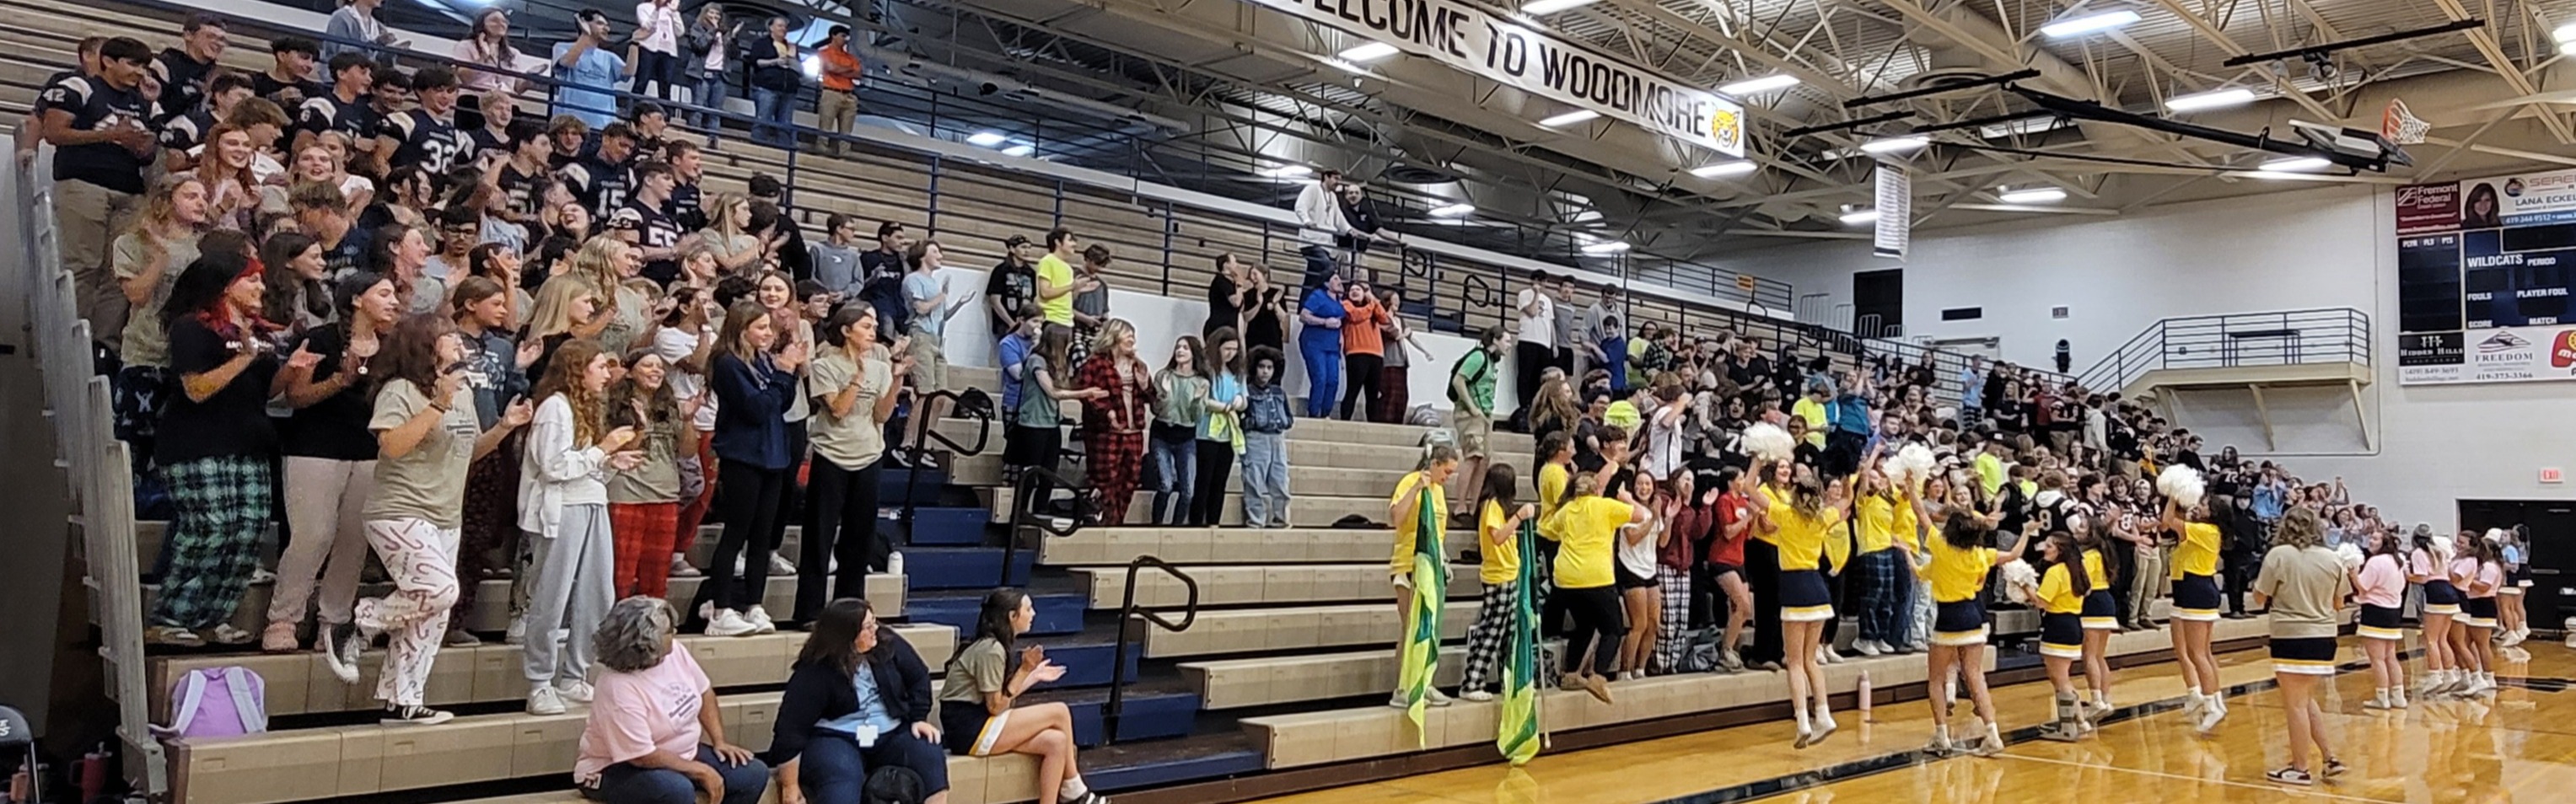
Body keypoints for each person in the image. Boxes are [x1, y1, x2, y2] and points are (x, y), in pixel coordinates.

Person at [332, 314, 518, 723]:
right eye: (452, 339)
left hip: (445, 515)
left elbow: (465, 453)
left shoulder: (461, 393)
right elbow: (393, 446)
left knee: (432, 616)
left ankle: (404, 700)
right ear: (426, 345)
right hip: (399, 509)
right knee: (439, 590)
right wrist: (438, 404)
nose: (462, 347)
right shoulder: (400, 391)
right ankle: (358, 625)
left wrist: (504, 428)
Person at [143, 251, 288, 647]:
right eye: (252, 280)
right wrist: (244, 358)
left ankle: (212, 617)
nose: (261, 288)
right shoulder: (192, 328)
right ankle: (171, 616)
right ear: (226, 286)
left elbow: (266, 390)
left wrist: (291, 371)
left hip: (251, 444)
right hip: (197, 446)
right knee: (210, 528)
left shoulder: (259, 333)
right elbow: (196, 389)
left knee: (248, 532)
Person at [267, 272, 398, 657]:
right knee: (313, 535)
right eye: (384, 294)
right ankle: (284, 617)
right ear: (357, 300)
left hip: (370, 451)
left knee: (354, 540)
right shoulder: (323, 340)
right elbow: (295, 397)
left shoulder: (393, 348)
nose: (393, 302)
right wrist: (340, 381)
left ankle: (334, 620)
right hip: (315, 447)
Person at [519, 339, 637, 715]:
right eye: (601, 366)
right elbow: (554, 467)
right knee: (551, 596)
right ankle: (539, 681)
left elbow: (583, 466)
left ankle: (574, 674)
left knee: (597, 592)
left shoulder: (585, 406)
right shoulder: (555, 407)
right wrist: (603, 449)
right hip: (561, 510)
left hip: (591, 503)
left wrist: (608, 462)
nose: (607, 374)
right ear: (579, 369)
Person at [575, 598, 768, 804]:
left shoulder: (675, 651)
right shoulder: (617, 687)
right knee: (676, 791)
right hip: (613, 767)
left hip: (681, 754)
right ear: (646, 641)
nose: (675, 633)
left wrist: (719, 741)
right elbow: (641, 756)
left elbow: (705, 692)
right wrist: (702, 771)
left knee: (752, 774)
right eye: (669, 631)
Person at [769, 599, 951, 804]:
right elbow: (790, 728)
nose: (875, 629)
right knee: (841, 779)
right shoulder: (816, 670)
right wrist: (790, 786)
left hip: (890, 731)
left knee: (929, 752)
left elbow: (918, 676)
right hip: (836, 736)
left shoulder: (886, 641)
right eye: (867, 627)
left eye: (874, 621)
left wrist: (919, 718)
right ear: (847, 635)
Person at [44, 36, 159, 350]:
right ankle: (69, 339)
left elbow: (150, 153)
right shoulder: (79, 87)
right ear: (108, 61)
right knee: (84, 264)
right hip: (84, 183)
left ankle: (103, 345)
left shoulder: (144, 100)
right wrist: (112, 134)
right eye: (134, 64)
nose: (140, 72)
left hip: (130, 189)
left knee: (117, 272)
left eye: (145, 66)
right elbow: (53, 133)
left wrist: (143, 146)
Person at [937, 590, 1105, 804]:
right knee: (1059, 711)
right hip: (968, 729)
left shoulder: (994, 646)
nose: (1033, 613)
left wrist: (1032, 676)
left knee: (1057, 742)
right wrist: (1024, 671)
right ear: (1012, 616)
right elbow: (996, 706)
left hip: (978, 722)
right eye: (1028, 609)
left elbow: (1003, 696)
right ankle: (1074, 788)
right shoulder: (991, 650)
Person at [702, 301, 806, 635]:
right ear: (741, 329)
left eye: (768, 327)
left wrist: (785, 373)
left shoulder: (762, 361)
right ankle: (720, 608)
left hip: (773, 455)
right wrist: (783, 373)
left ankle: (754, 604)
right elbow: (757, 409)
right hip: (743, 456)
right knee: (736, 533)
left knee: (762, 536)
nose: (767, 333)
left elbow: (783, 404)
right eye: (760, 327)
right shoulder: (727, 363)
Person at [1754, 443, 1866, 748]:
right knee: (1811, 661)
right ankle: (1825, 714)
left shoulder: (1785, 515)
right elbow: (1847, 501)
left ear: (1794, 496)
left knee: (1794, 663)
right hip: (1818, 589)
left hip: (1794, 587)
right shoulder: (1822, 517)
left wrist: (1755, 459)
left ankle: (1803, 721)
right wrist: (1850, 476)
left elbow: (1750, 491)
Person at [798, 305, 903, 621]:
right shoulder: (824, 366)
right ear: (846, 331)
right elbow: (839, 410)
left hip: (869, 455)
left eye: (873, 326)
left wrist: (896, 382)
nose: (872, 332)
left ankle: (850, 612)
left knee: (859, 539)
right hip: (832, 456)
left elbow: (882, 415)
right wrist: (857, 379)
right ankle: (809, 611)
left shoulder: (881, 369)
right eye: (866, 326)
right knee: (819, 536)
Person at [1897, 511, 2025, 757]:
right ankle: (1993, 734)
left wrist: (1912, 487)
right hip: (1973, 617)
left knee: (1936, 679)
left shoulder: (1941, 550)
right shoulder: (1980, 554)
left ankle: (1942, 736)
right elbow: (2013, 555)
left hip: (1948, 619)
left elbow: (1923, 519)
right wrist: (2027, 532)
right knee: (1976, 677)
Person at [2251, 507, 2350, 785]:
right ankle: (2330, 758)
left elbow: (2260, 597)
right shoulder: (2333, 559)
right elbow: (2339, 602)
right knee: (2305, 699)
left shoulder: (2278, 556)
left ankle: (2300, 768)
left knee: (2294, 705)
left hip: (2291, 637)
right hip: (2324, 638)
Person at [1541, 453, 1647, 704]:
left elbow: (1551, 531)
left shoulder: (1567, 510)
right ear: (1596, 490)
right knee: (1613, 629)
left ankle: (1570, 674)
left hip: (1566, 579)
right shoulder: (1605, 506)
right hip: (1596, 576)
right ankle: (1598, 677)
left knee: (1586, 625)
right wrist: (1627, 499)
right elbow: (1641, 515)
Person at [606, 348, 688, 599]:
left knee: (656, 576)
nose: (656, 371)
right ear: (630, 373)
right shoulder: (614, 404)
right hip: (628, 493)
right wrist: (640, 427)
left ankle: (651, 630)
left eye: (660, 367)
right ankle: (615, 629)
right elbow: (620, 450)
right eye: (648, 366)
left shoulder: (669, 404)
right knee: (621, 572)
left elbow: (687, 450)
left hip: (665, 494)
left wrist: (689, 419)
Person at [1385, 446, 1460, 707]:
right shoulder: (1410, 481)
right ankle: (1403, 687)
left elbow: (1438, 533)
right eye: (1447, 471)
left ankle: (1425, 682)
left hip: (1432, 565)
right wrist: (1417, 487)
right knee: (1410, 627)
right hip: (1408, 562)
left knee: (1429, 628)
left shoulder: (1439, 491)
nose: (1448, 477)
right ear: (1435, 464)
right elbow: (1395, 518)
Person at [1456, 465, 1534, 700]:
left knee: (1507, 633)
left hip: (1509, 574)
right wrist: (1519, 517)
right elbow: (1497, 537)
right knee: (1491, 631)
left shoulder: (1499, 507)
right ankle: (1472, 683)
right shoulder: (1490, 506)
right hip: (1497, 577)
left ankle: (1507, 680)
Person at [2014, 529, 2096, 742]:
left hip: (2058, 625)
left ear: (2060, 550)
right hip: (2073, 624)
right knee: (2061, 678)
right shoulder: (2076, 569)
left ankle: (2068, 728)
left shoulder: (2056, 572)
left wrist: (2023, 585)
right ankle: (2081, 722)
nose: (2045, 548)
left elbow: (2041, 602)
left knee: (2060, 679)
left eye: (2049, 545)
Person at [1077, 319, 1154, 526]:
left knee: (1129, 481)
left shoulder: (1139, 365)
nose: (1132, 339)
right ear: (1114, 337)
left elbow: (1152, 397)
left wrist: (1145, 383)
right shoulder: (1095, 364)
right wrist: (1108, 413)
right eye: (1127, 334)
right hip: (1105, 434)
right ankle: (1102, 523)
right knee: (1104, 480)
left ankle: (1116, 522)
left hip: (1133, 433)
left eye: (1133, 335)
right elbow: (1088, 395)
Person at [2161, 495, 2228, 732]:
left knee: (2197, 653)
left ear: (2213, 513)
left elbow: (2168, 519)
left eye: (2205, 505)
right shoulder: (2197, 532)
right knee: (2202, 652)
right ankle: (2216, 700)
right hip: (2189, 590)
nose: (2199, 507)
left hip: (2196, 590)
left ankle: (2211, 706)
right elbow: (2170, 525)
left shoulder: (2206, 530)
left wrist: (2171, 495)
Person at [902, 239, 968, 455]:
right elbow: (921, 308)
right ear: (922, 255)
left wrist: (959, 302)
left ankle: (926, 442)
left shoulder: (934, 284)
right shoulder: (913, 279)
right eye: (935, 251)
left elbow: (942, 315)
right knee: (925, 393)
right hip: (920, 337)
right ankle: (909, 442)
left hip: (938, 339)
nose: (940, 255)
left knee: (940, 396)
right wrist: (942, 296)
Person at [1147, 336, 1210, 525]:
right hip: (1162, 433)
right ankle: (1156, 525)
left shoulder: (1201, 382)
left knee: (1188, 491)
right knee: (1165, 485)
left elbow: (1197, 417)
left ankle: (1176, 528)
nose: (1180, 351)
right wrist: (1164, 394)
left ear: (1194, 354)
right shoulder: (1163, 376)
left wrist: (1198, 400)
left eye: (1185, 348)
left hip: (1186, 437)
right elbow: (1157, 410)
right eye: (1178, 347)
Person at [1191, 330, 1246, 527]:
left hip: (1227, 434)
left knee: (1220, 481)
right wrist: (1222, 407)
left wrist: (1239, 401)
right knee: (1203, 480)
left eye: (1234, 349)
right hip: (1206, 433)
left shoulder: (1236, 374)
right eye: (1227, 349)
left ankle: (1214, 520)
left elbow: (1244, 398)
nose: (1230, 353)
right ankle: (1196, 521)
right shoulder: (1207, 371)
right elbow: (1202, 400)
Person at [1447, 326, 1504, 515]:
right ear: (1496, 340)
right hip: (1471, 414)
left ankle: (1474, 505)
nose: (1509, 345)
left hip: (1486, 414)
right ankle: (1461, 505)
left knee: (1485, 459)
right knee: (1473, 456)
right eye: (1507, 340)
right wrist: (1472, 407)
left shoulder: (1492, 361)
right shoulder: (1478, 356)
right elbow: (1459, 380)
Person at [1705, 466, 1756, 671]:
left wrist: (1754, 519)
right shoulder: (1724, 501)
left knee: (1742, 610)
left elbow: (1748, 536)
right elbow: (1728, 532)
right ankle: (1725, 650)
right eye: (1741, 478)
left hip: (1739, 559)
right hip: (1722, 558)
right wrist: (1746, 518)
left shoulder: (1743, 502)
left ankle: (1729, 647)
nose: (1743, 481)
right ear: (1731, 481)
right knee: (1742, 604)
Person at [2353, 528, 2409, 710]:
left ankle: (2382, 698)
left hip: (2375, 610)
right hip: (2393, 611)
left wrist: (2352, 573)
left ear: (2385, 543)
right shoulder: (2398, 560)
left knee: (2377, 659)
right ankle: (2399, 697)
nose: (2371, 540)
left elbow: (2363, 586)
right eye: (2371, 537)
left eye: (2376, 538)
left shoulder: (2376, 561)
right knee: (2390, 656)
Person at [1240, 346, 1294, 528]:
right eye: (1262, 367)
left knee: (1280, 480)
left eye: (1269, 368)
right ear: (1254, 368)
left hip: (1278, 438)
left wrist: (1285, 423)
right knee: (1254, 480)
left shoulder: (1279, 392)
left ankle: (1282, 519)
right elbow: (1242, 418)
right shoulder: (1247, 391)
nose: (1265, 371)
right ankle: (1256, 520)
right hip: (1256, 438)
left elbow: (1288, 417)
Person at [552, 10, 632, 130]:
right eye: (600, 23)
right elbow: (568, 62)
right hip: (569, 124)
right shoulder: (562, 47)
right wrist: (585, 35)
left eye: (607, 25)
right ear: (584, 22)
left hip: (602, 125)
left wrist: (635, 45)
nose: (607, 29)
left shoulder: (609, 57)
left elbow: (629, 72)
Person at [2448, 530, 2500, 698]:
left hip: (2483, 605)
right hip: (2473, 603)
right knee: (2464, 643)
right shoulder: (2478, 564)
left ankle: (2488, 677)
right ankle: (2469, 675)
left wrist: (2468, 581)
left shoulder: (2490, 567)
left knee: (2482, 644)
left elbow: (2484, 587)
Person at [745, 17, 803, 148]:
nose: (784, 29)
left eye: (785, 27)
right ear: (771, 28)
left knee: (785, 124)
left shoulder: (791, 47)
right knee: (763, 119)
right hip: (767, 87)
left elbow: (800, 70)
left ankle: (783, 152)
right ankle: (758, 148)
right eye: (780, 26)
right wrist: (775, 61)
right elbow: (756, 61)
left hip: (789, 89)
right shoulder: (761, 43)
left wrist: (791, 57)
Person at [684, 5, 737, 145]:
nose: (715, 16)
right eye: (711, 12)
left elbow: (734, 54)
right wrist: (713, 30)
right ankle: (693, 137)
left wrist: (733, 38)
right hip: (701, 73)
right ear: (705, 14)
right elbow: (699, 46)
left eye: (718, 14)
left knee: (716, 110)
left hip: (720, 75)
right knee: (698, 106)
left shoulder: (726, 33)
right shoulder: (697, 28)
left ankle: (713, 138)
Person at [1335, 279, 1386, 421]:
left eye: (1358, 290)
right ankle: (1345, 420)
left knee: (1373, 394)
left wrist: (1374, 301)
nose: (1355, 292)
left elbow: (1384, 319)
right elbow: (1356, 316)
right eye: (1352, 290)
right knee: (1352, 390)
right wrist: (1372, 304)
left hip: (1376, 354)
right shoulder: (1346, 305)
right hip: (1356, 352)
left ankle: (1373, 423)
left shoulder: (1372, 306)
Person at [1296, 272, 1346, 419]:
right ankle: (1314, 413)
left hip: (1332, 345)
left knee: (1333, 380)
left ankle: (1326, 413)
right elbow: (1303, 316)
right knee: (1320, 377)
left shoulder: (1340, 301)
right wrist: (1324, 322)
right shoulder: (1318, 296)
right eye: (1335, 279)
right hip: (1314, 343)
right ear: (1326, 283)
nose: (1339, 281)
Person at [1512, 271, 1556, 431]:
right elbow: (1531, 312)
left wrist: (1554, 344)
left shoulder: (1548, 301)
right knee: (1525, 375)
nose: (1540, 283)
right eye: (1537, 280)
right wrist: (1536, 294)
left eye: (1542, 281)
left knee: (1540, 378)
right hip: (1528, 339)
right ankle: (1524, 406)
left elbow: (1550, 323)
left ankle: (1537, 407)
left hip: (1544, 343)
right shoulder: (1524, 294)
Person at [1374, 287, 1426, 424]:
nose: (1397, 303)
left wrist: (1425, 351)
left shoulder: (1400, 320)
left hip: (1401, 360)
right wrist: (1405, 333)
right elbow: (1396, 336)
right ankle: (1385, 420)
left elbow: (1410, 337)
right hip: (1389, 360)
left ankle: (1397, 420)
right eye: (1394, 300)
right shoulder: (1383, 318)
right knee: (1390, 393)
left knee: (1402, 394)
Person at [1290, 168, 1347, 286]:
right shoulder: (1313, 189)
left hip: (1325, 244)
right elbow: (1300, 206)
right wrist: (1307, 221)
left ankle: (1304, 302)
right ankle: (1317, 290)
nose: (1338, 182)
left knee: (1311, 277)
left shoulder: (1333, 197)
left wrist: (1349, 230)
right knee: (1329, 268)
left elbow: (1338, 216)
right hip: (1311, 242)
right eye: (1336, 178)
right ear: (1326, 177)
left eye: (1339, 180)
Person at [815, 26, 862, 155]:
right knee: (826, 125)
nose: (845, 40)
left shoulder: (851, 57)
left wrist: (839, 70)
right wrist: (848, 69)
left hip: (848, 94)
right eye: (842, 36)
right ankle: (822, 149)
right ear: (833, 36)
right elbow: (831, 67)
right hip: (831, 92)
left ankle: (844, 152)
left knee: (846, 130)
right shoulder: (824, 53)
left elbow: (858, 74)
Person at [987, 235, 1039, 344]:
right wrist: (1010, 322)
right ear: (1012, 249)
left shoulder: (1031, 272)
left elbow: (1032, 299)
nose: (1027, 251)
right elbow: (994, 300)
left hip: (1024, 322)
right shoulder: (1001, 270)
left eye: (1029, 248)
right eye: (1023, 247)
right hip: (1004, 323)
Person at [322, 0, 406, 66]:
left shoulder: (379, 27)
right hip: (339, 78)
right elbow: (338, 53)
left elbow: (380, 61)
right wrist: (374, 44)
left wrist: (391, 52)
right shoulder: (341, 18)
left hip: (368, 81)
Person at [632, 0, 686, 101]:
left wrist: (674, 13)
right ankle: (632, 109)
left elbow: (680, 32)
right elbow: (646, 26)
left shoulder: (671, 10)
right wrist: (657, 10)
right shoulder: (643, 7)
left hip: (669, 51)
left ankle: (665, 113)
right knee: (642, 80)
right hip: (649, 48)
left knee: (666, 84)